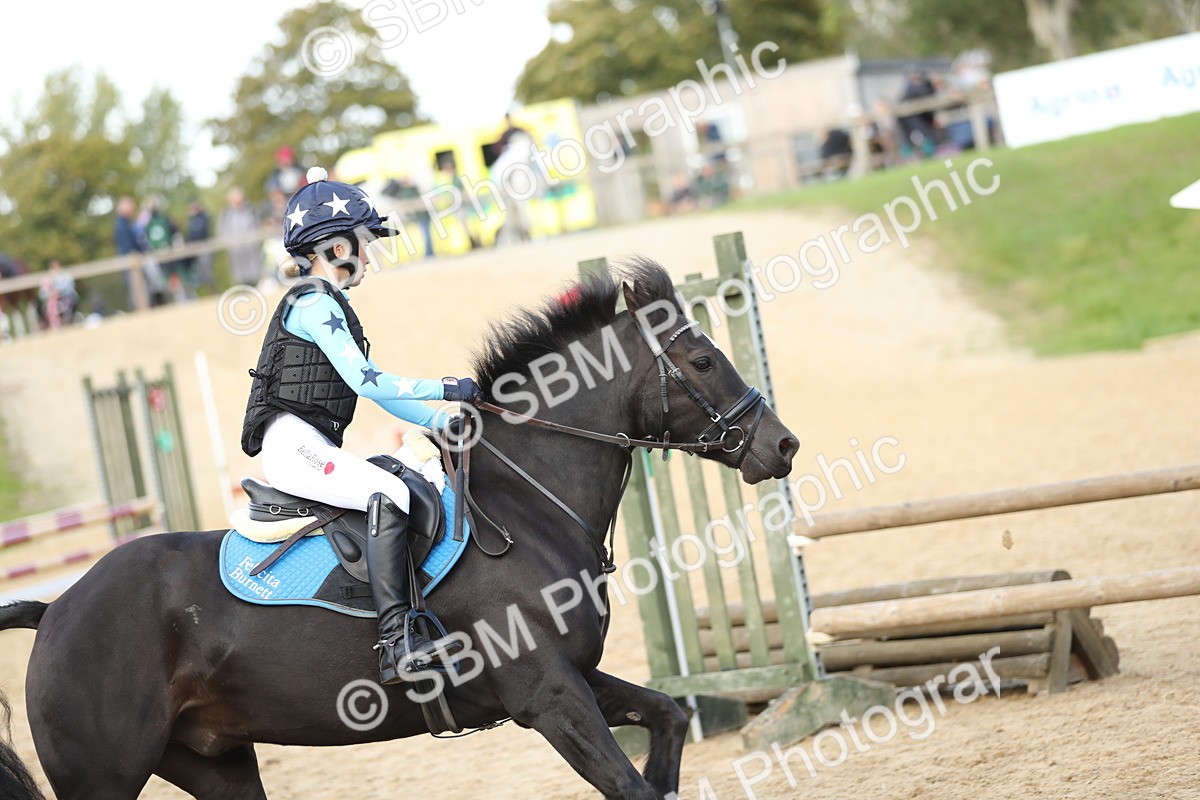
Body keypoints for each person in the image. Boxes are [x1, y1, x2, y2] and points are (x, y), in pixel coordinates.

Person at [240, 166, 481, 685]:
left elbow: (388, 400)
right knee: (390, 491)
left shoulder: (331, 306)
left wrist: (455, 420)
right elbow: (370, 383)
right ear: (333, 247)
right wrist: (446, 388)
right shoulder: (313, 304)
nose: (369, 254)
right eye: (363, 243)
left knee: (397, 483)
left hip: (306, 442)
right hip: (292, 446)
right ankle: (397, 642)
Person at [219, 188, 263, 286]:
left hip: (252, 252)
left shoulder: (251, 211)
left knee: (255, 279)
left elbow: (257, 228)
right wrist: (231, 246)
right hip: (236, 254)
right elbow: (222, 233)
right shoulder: (226, 215)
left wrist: (253, 242)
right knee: (241, 281)